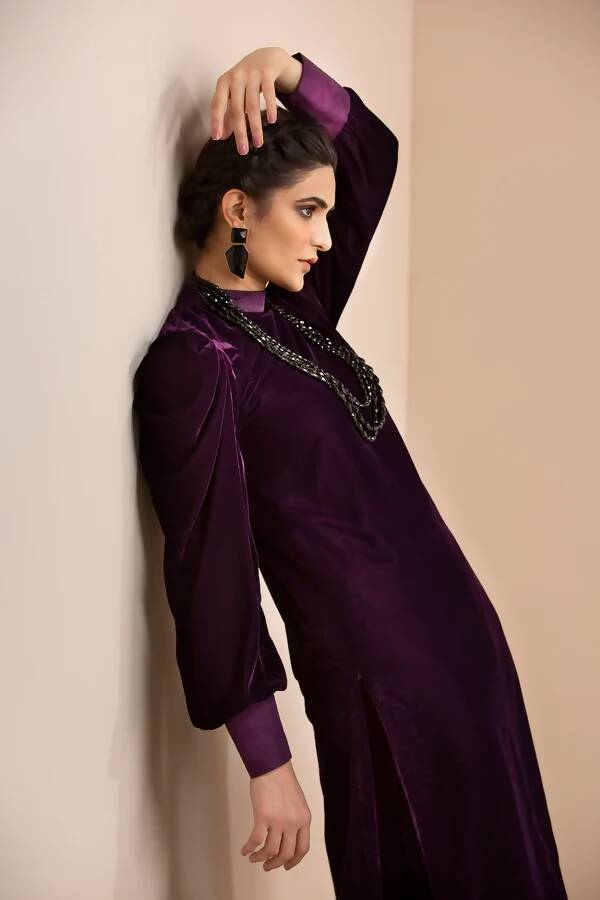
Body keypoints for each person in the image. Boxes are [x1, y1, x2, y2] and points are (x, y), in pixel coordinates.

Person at [132, 47, 569, 899]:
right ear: (238, 209)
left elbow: (370, 147)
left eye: (327, 213)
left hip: (468, 656)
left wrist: (285, 69)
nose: (328, 237)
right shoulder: (197, 361)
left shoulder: (297, 308)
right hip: (382, 688)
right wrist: (268, 762)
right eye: (307, 211)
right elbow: (209, 573)